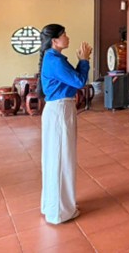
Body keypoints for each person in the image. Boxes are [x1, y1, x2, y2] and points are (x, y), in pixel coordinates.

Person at [36, 24, 92, 224]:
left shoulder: (54, 58)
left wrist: (81, 62)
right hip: (60, 110)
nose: (67, 37)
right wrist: (84, 61)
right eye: (64, 35)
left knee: (56, 158)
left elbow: (72, 80)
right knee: (61, 159)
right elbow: (79, 82)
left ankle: (54, 205)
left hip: (59, 109)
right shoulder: (55, 60)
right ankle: (59, 212)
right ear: (54, 41)